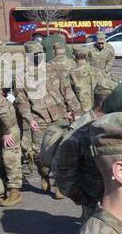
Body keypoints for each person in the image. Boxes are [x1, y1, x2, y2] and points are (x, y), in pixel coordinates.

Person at [13, 39, 78, 196]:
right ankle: (44, 174)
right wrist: (30, 119)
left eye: (40, 54)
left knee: (60, 151)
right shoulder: (21, 77)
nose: (38, 57)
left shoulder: (54, 69)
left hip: (59, 116)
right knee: (40, 155)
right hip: (38, 119)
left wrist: (74, 111)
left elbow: (67, 90)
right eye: (35, 55)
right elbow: (22, 102)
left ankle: (58, 186)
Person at [69, 44, 113, 115]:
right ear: (87, 57)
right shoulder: (97, 71)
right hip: (98, 108)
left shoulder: (72, 73)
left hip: (82, 110)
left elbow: (69, 94)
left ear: (74, 57)